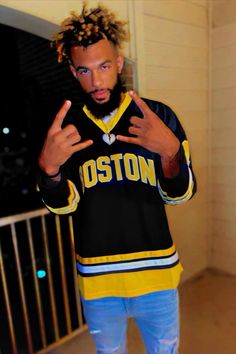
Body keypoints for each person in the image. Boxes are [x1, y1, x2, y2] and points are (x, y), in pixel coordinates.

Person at [37, 3, 196, 353]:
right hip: (98, 283)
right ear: (73, 71)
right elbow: (64, 207)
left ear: (119, 63)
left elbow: (181, 194)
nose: (96, 81)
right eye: (85, 70)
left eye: (105, 66)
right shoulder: (66, 130)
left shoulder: (156, 116)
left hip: (157, 276)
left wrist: (170, 155)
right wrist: (49, 171)